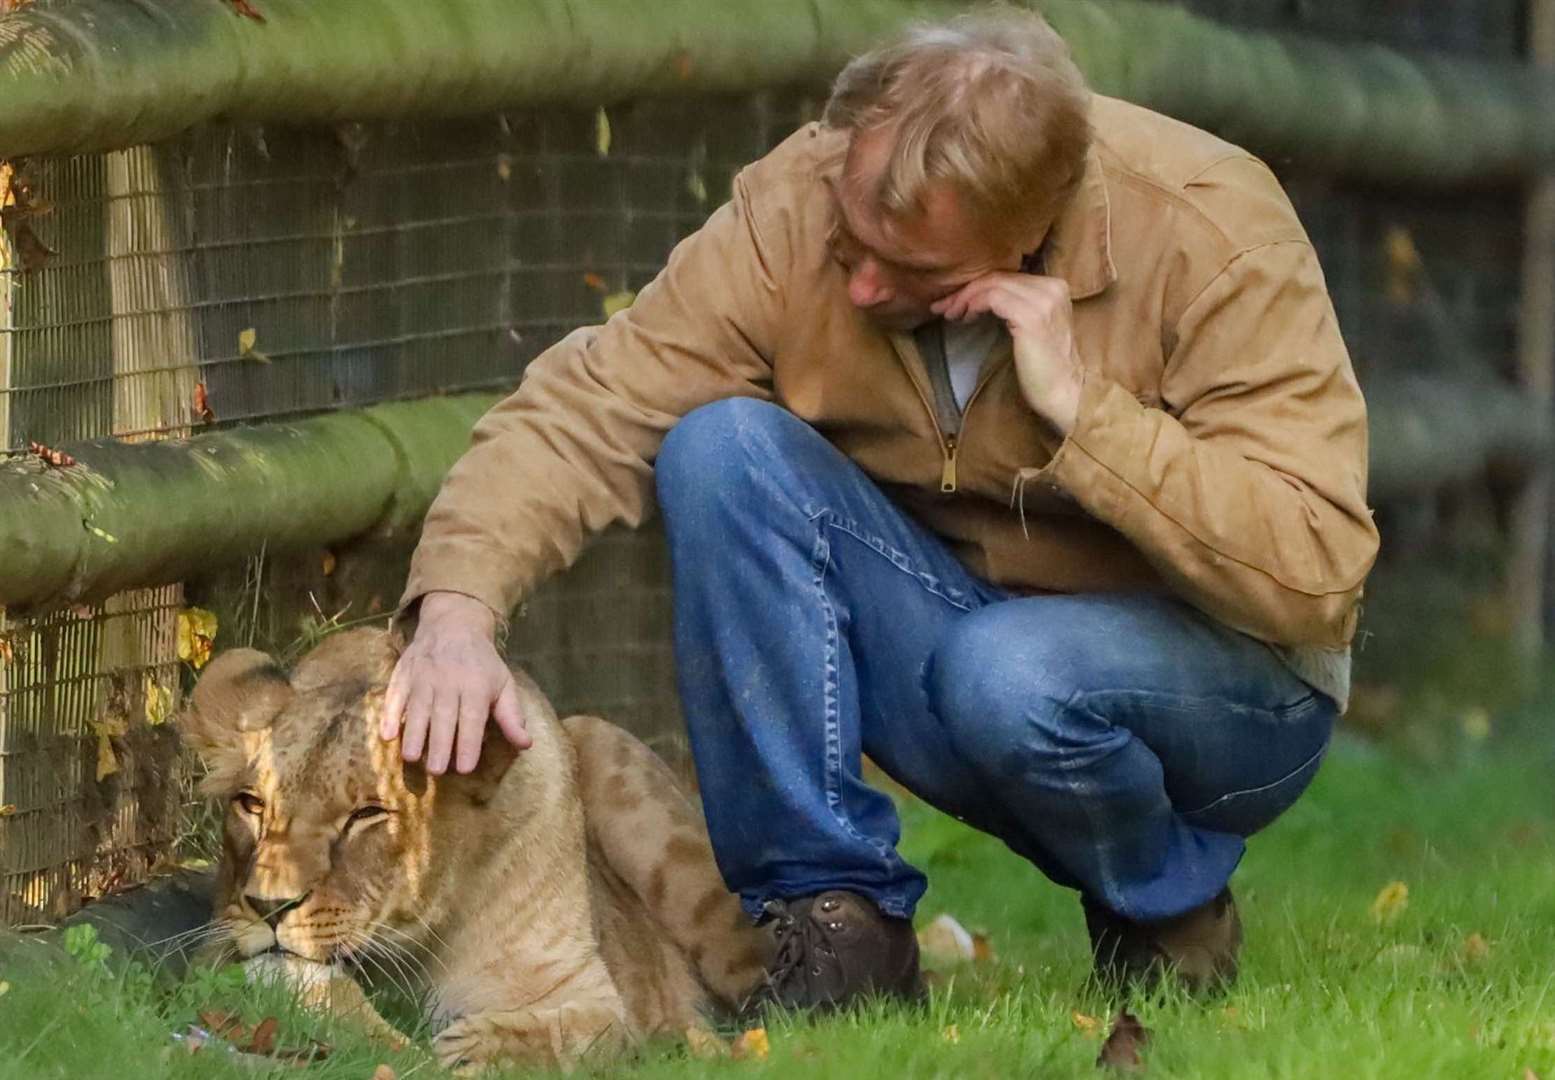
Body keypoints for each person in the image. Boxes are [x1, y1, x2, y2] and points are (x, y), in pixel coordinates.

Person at [380, 7, 1378, 1009]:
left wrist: (1087, 417)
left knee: (1013, 672)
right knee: (722, 449)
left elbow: (1312, 573)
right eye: (852, 240)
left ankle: (1162, 903)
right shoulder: (798, 203)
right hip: (963, 641)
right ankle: (832, 931)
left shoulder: (1207, 225)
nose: (858, 286)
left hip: (1232, 687)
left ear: (1029, 234)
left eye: (912, 274)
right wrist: (457, 616)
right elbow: (593, 403)